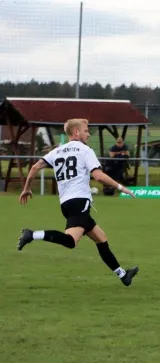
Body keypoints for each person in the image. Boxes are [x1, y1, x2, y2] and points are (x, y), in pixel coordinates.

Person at [16, 118, 140, 287]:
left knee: (101, 238)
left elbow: (34, 168)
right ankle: (31, 234)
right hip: (79, 201)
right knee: (71, 241)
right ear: (76, 132)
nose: (88, 134)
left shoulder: (57, 151)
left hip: (66, 203)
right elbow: (98, 176)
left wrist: (27, 188)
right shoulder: (85, 150)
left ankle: (123, 275)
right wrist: (120, 186)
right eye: (86, 130)